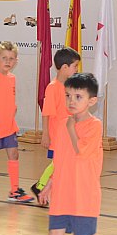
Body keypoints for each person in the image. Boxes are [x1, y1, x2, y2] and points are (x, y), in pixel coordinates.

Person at [33, 73, 114, 235]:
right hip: (62, 192)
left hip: (83, 194)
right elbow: (60, 159)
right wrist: (50, 183)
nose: (71, 101)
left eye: (78, 97)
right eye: (68, 96)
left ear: (92, 101)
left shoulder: (94, 126)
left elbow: (80, 150)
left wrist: (70, 126)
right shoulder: (62, 124)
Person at [0, 41, 32, 203]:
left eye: (11, 58)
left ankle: (15, 190)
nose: (8, 62)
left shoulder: (12, 78)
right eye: (4, 58)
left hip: (9, 126)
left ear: (16, 61)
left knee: (14, 154)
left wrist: (12, 109)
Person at [32, 47, 81, 202]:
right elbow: (47, 112)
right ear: (65, 67)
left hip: (69, 133)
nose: (77, 69)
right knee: (59, 163)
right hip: (57, 133)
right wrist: (45, 134)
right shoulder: (53, 87)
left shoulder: (70, 87)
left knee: (59, 163)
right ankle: (43, 187)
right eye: (75, 66)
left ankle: (41, 186)